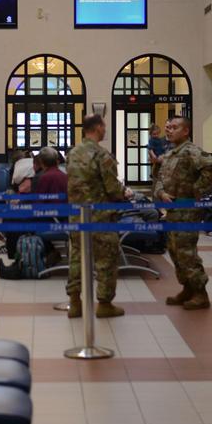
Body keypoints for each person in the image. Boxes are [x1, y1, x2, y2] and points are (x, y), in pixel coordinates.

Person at [66, 114, 129, 319]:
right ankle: (104, 304)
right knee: (106, 260)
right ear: (98, 127)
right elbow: (112, 189)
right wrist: (124, 192)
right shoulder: (102, 155)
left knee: (77, 258)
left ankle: (75, 302)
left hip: (77, 216)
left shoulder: (73, 153)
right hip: (101, 217)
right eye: (104, 126)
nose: (105, 130)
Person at [154, 116, 212, 310]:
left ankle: (200, 293)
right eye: (168, 127)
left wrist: (197, 190)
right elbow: (159, 178)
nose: (169, 130)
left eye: (174, 128)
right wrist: (161, 193)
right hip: (172, 210)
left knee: (186, 252)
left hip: (187, 210)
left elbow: (211, 167)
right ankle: (187, 288)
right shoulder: (170, 153)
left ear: (185, 131)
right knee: (174, 250)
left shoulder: (191, 151)